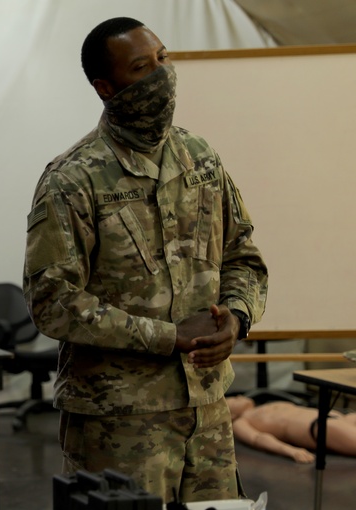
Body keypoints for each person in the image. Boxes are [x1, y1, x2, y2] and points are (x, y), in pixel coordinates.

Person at [22, 17, 269, 503]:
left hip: (208, 411)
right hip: (119, 420)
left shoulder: (201, 159)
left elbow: (245, 257)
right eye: (142, 67)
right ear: (106, 88)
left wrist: (236, 319)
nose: (161, 74)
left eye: (163, 58)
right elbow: (52, 301)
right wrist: (165, 336)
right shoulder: (73, 180)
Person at [228, 395, 356, 463]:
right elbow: (258, 438)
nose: (239, 396)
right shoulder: (240, 422)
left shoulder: (263, 406)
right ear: (229, 413)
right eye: (233, 399)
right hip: (317, 426)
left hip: (337, 417)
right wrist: (290, 451)